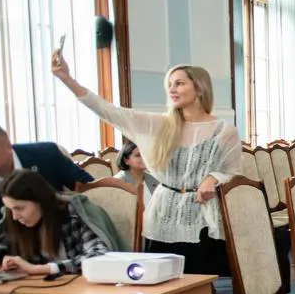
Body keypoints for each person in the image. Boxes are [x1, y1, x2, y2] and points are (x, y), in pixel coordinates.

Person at [51, 53, 241, 275]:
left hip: (201, 219)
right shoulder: (159, 124)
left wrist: (212, 178)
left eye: (179, 83)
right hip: (162, 216)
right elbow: (109, 111)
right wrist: (68, 79)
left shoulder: (224, 131)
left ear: (199, 88)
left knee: (200, 283)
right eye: (170, 85)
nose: (172, 89)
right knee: (160, 281)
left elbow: (233, 171)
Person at [0, 121, 92, 245]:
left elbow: (91, 188)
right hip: (2, 246)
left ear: (7, 144)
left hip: (58, 240)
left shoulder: (46, 155)